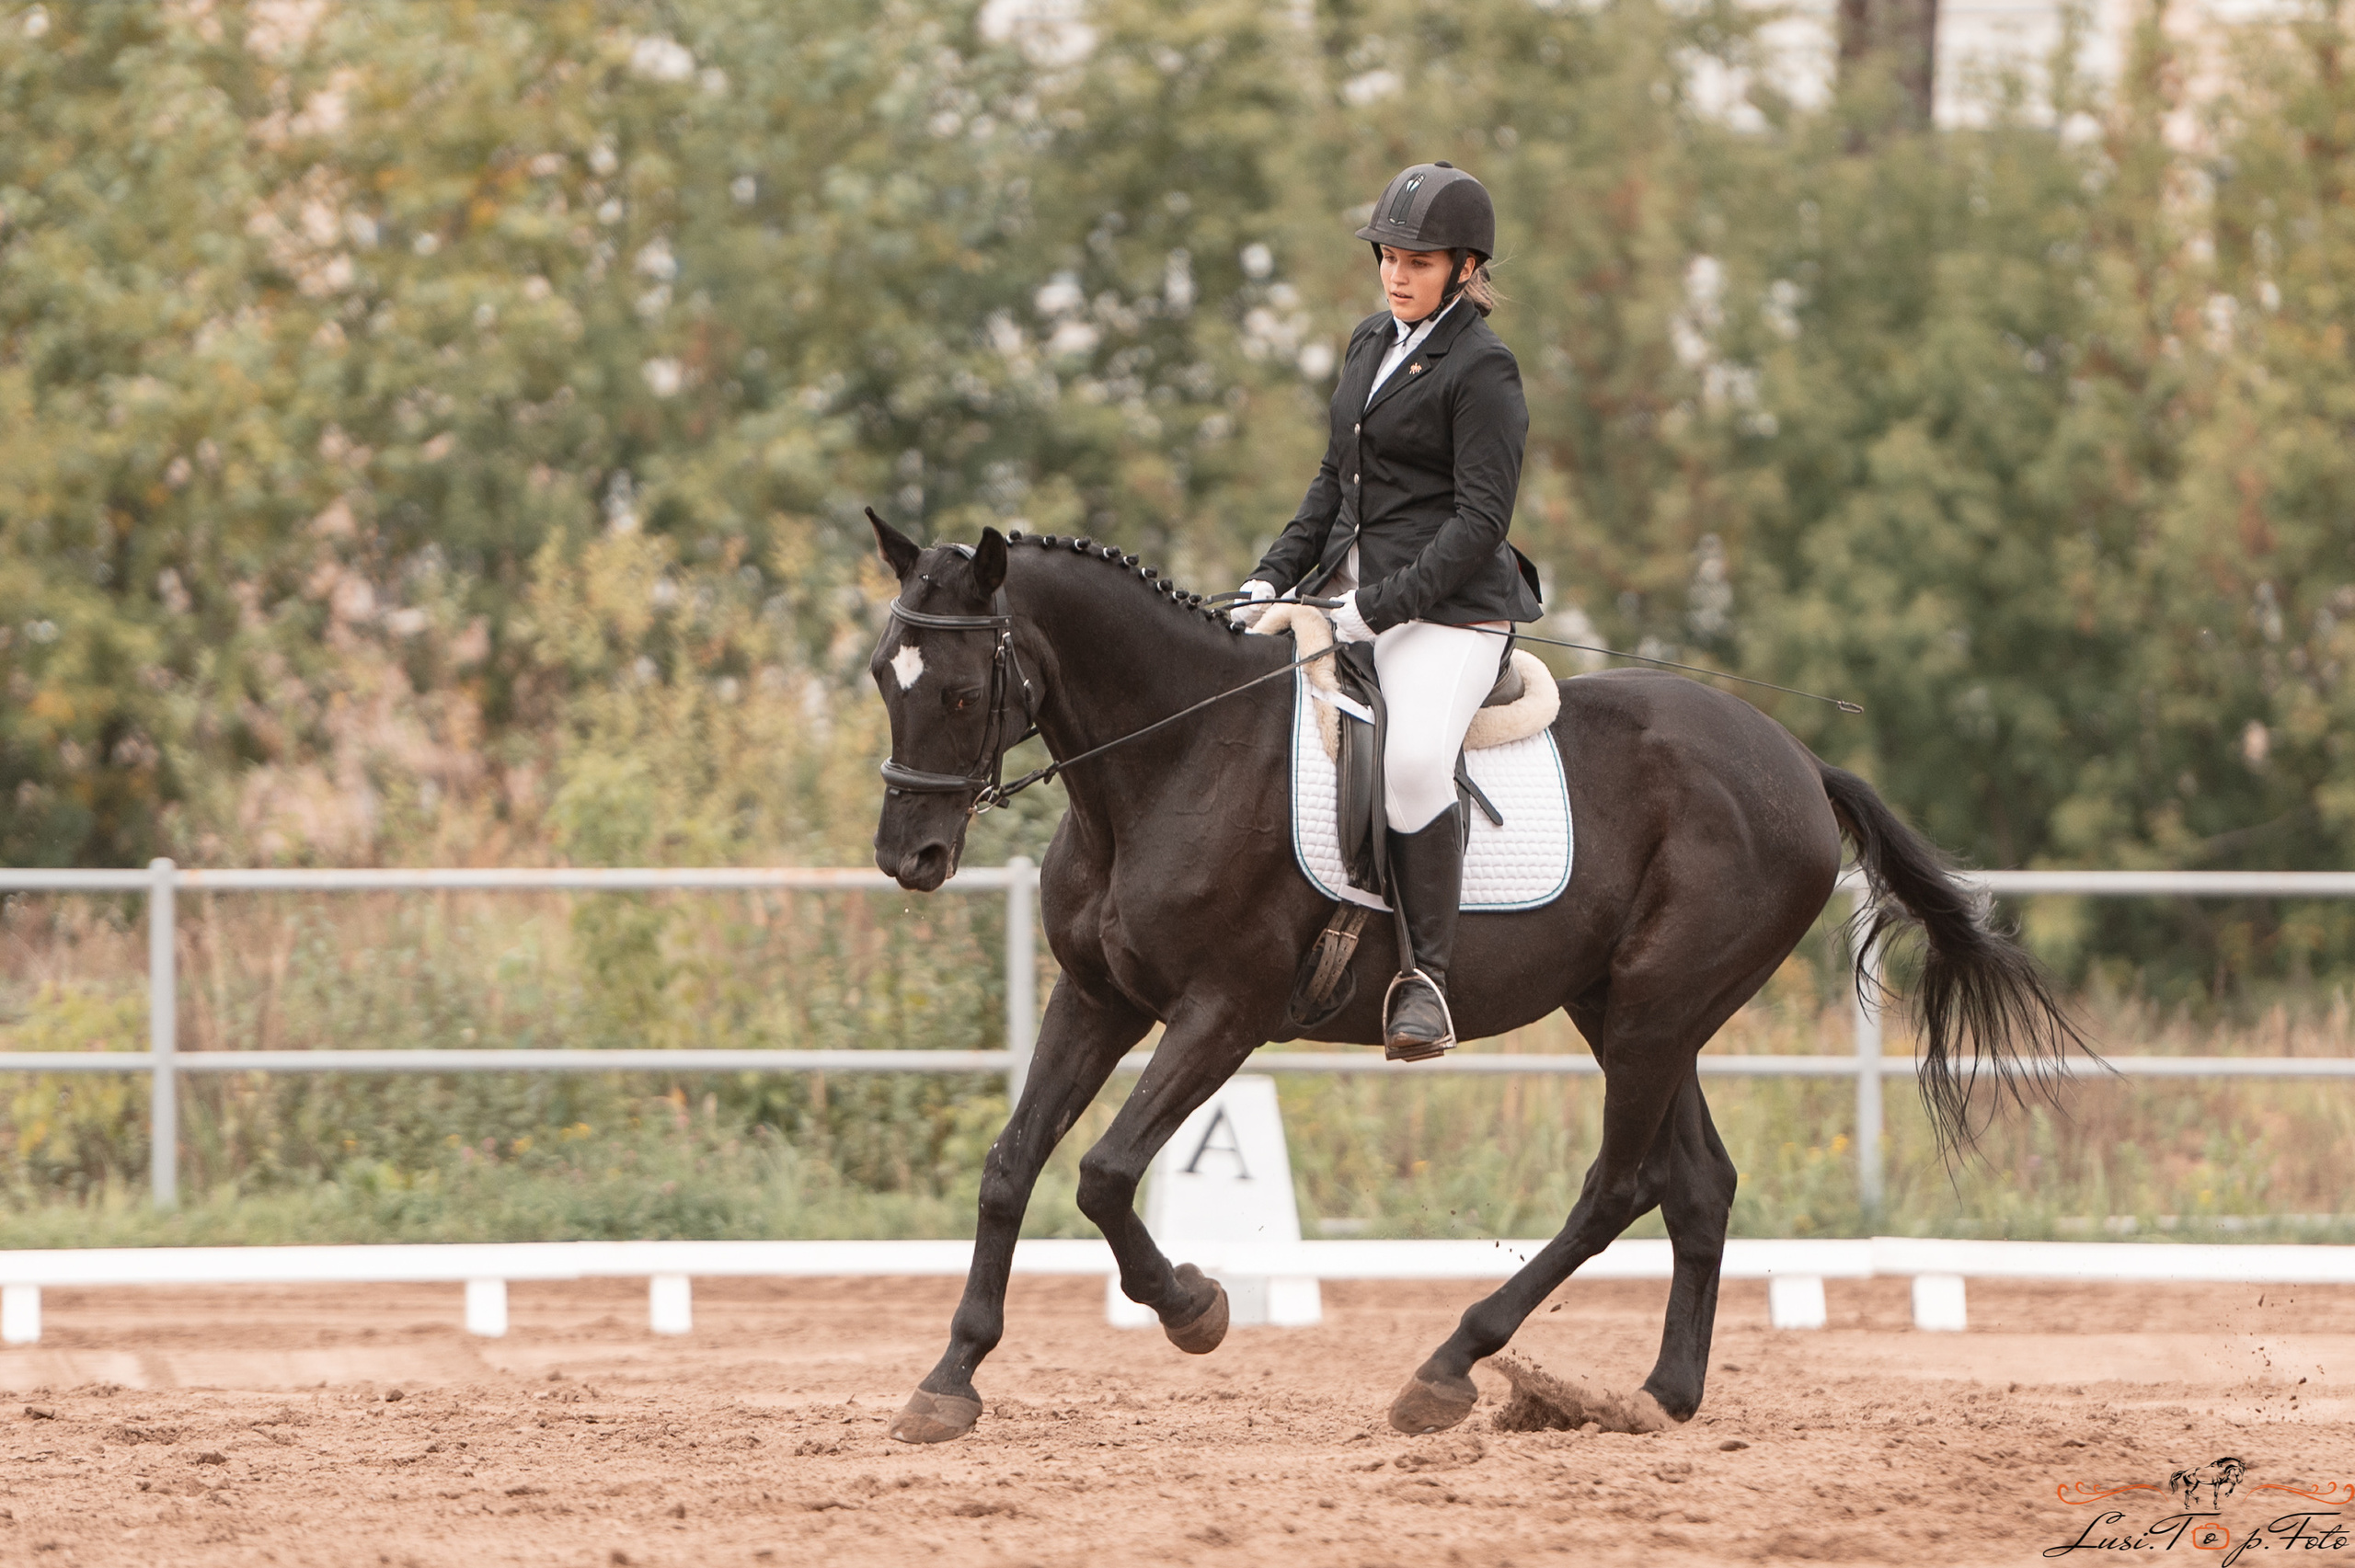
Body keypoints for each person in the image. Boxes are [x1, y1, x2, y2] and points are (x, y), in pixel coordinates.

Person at [1233, 161, 1542, 1061]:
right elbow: (1334, 482)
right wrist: (1271, 576)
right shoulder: (1370, 342)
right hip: (1350, 591)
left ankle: (1425, 981)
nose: (1395, 274)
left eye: (1415, 260)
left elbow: (1481, 520)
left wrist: (1378, 607)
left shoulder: (1483, 369)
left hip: (1450, 616)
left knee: (1411, 761)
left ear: (1462, 265)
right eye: (1386, 257)